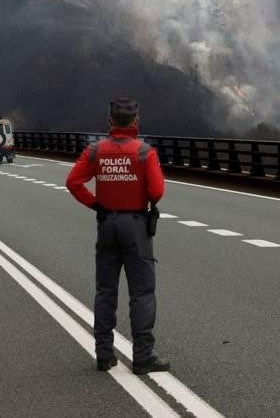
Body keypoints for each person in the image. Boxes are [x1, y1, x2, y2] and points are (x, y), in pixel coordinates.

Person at [65, 97, 169, 374]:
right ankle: (143, 356)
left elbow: (73, 182)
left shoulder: (95, 151)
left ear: (110, 122)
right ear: (136, 122)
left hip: (107, 223)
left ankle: (104, 353)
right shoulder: (145, 153)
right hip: (135, 225)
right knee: (142, 292)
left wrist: (95, 203)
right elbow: (157, 191)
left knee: (105, 290)